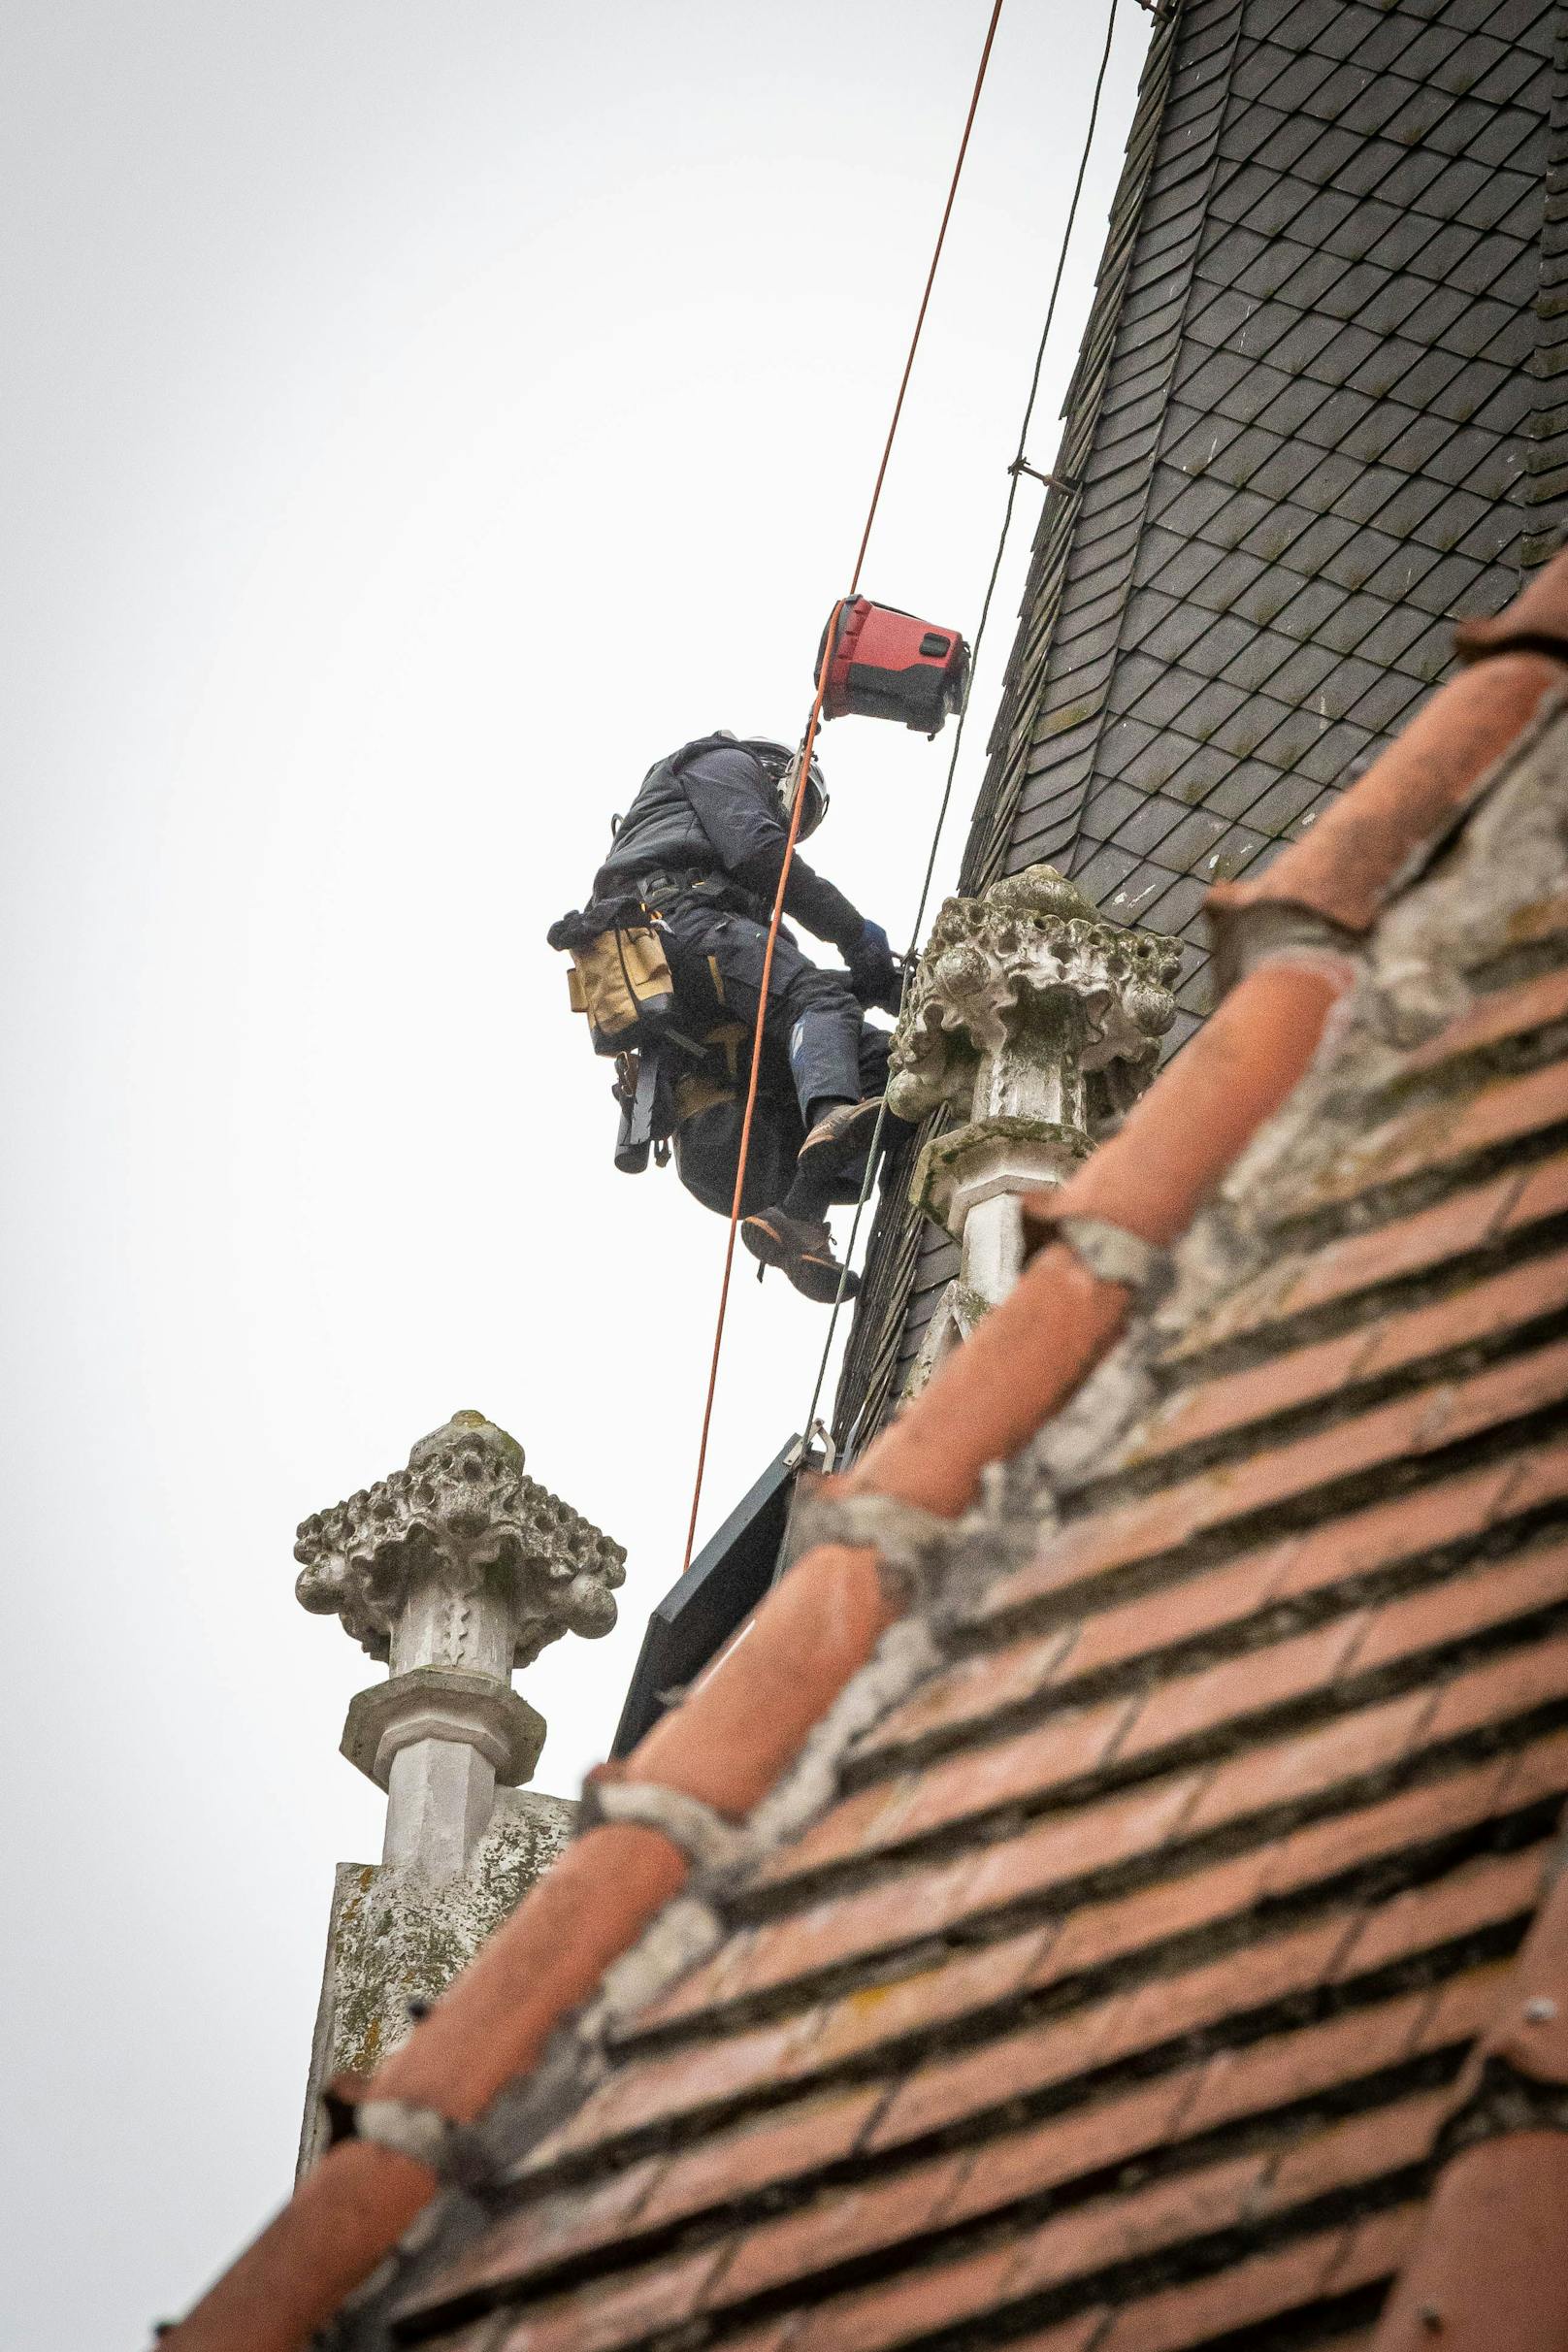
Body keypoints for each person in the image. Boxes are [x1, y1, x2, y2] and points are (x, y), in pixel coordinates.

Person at [590, 731, 903, 1301]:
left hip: (694, 965)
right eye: (797, 806)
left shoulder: (732, 903)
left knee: (896, 1067)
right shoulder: (723, 762)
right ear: (779, 772)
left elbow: (772, 990)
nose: (795, 827)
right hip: (680, 920)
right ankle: (832, 1115)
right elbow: (758, 852)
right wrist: (854, 933)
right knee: (817, 1002)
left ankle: (795, 1212)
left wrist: (871, 984)